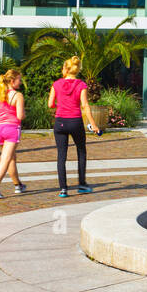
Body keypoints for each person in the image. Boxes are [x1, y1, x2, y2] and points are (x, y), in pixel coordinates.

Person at [48, 55, 101, 197]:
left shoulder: (56, 84)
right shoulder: (81, 85)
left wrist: (59, 105)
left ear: (65, 69)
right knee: (81, 151)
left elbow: (50, 104)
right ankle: (82, 184)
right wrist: (93, 124)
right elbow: (85, 105)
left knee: (61, 155)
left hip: (60, 122)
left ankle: (63, 189)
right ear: (77, 70)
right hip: (75, 121)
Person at [0, 69, 26, 198]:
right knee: (5, 159)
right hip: (12, 129)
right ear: (12, 81)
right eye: (19, 80)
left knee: (10, 158)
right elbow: (20, 115)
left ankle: (18, 185)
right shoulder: (17, 96)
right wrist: (23, 114)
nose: (20, 82)